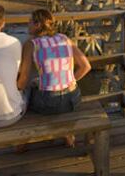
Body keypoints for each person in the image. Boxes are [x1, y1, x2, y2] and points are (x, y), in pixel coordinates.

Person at [17, 9, 91, 145]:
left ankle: (22, 143)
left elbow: (24, 78)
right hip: (72, 99)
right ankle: (67, 134)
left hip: (48, 102)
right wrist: (71, 80)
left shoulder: (31, 44)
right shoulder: (65, 39)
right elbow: (86, 66)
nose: (27, 25)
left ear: (38, 25)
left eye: (30, 22)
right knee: (46, 90)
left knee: (24, 96)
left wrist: (19, 89)